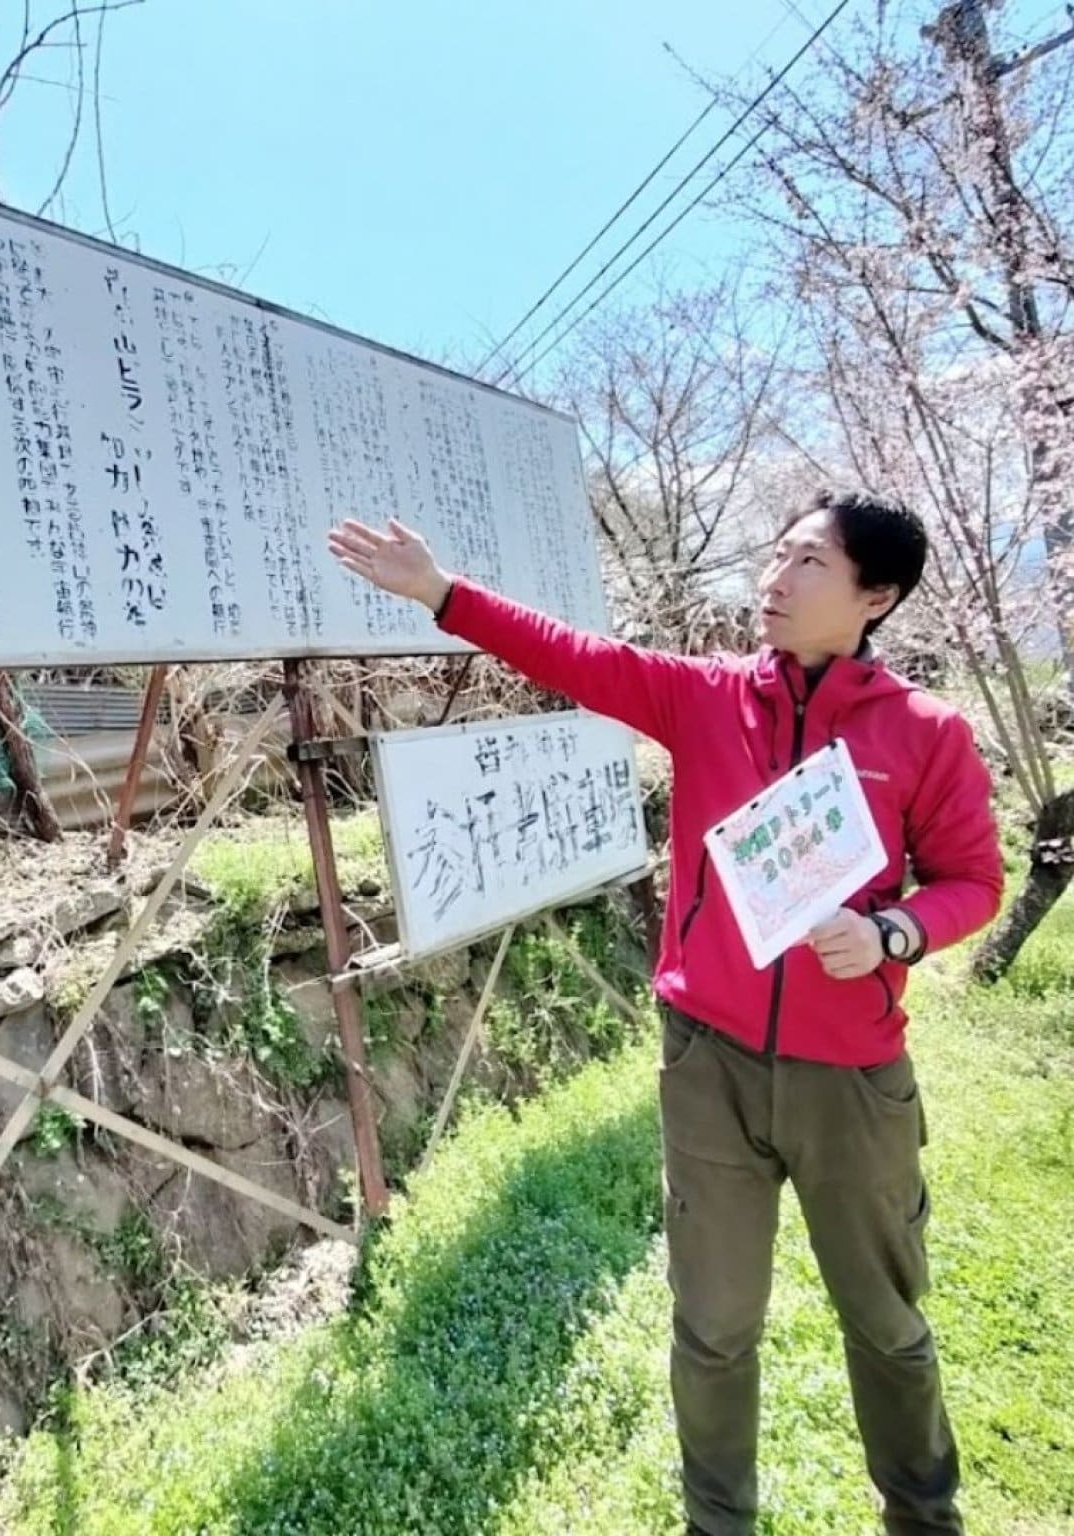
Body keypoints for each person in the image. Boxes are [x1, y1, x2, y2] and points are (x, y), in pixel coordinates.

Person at [327, 489, 1003, 1536]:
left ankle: (923, 1515)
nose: (772, 580)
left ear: (876, 594)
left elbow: (972, 880)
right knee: (715, 1324)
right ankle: (716, 1522)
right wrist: (442, 593)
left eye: (807, 564)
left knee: (885, 1326)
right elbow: (577, 657)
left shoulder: (924, 733)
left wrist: (893, 935)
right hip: (710, 1067)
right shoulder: (708, 697)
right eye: (774, 556)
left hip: (853, 1078)